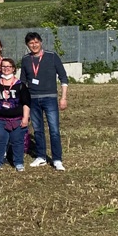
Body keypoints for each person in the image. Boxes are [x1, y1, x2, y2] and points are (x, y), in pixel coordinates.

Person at [20, 32, 69, 170]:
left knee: (54, 130)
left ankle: (57, 159)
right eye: (31, 43)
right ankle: (41, 156)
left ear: (41, 42)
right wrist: (23, 101)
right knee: (37, 129)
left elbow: (63, 77)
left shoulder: (52, 56)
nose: (34, 45)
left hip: (50, 98)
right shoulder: (25, 59)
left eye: (36, 42)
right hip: (33, 99)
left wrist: (63, 97)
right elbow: (22, 82)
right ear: (27, 45)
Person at [0, 58, 31, 172]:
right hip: (0, 119)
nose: (6, 69)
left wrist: (25, 117)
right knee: (0, 140)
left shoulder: (20, 85)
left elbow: (26, 103)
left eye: (9, 66)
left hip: (17, 119)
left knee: (17, 141)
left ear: (13, 69)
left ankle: (18, 162)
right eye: (4, 66)